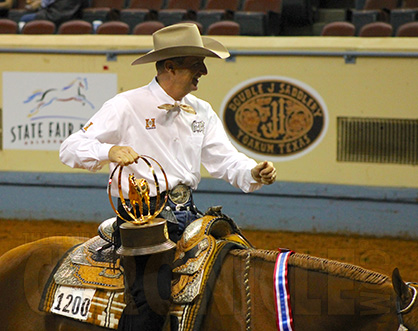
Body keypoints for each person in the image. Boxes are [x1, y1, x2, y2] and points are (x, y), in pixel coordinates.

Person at [59, 23, 276, 330]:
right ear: (170, 67)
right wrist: (111, 151)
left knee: (237, 265)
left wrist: (253, 171)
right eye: (196, 64)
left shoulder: (202, 111)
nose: (204, 71)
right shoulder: (126, 105)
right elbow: (70, 148)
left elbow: (226, 160)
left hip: (189, 215)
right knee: (152, 299)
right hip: (141, 219)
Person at [19, 0, 87, 26]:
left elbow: (43, 3)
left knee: (24, 18)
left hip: (53, 16)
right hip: (73, 17)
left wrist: (39, 4)